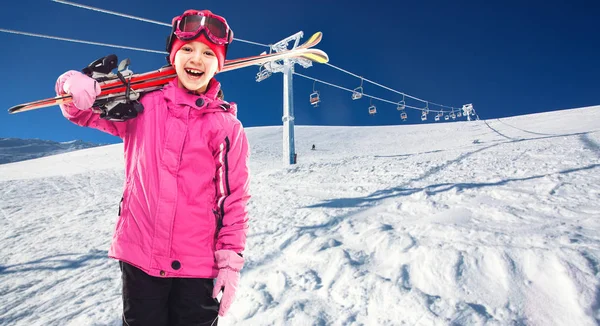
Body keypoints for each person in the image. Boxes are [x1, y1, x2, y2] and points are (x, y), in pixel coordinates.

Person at [54, 9, 250, 326]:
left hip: (197, 268)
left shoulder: (226, 127)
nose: (196, 59)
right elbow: (84, 113)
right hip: (140, 258)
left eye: (207, 53)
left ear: (219, 64)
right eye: (187, 49)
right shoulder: (143, 105)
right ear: (174, 55)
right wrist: (72, 85)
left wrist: (229, 263)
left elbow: (233, 199)